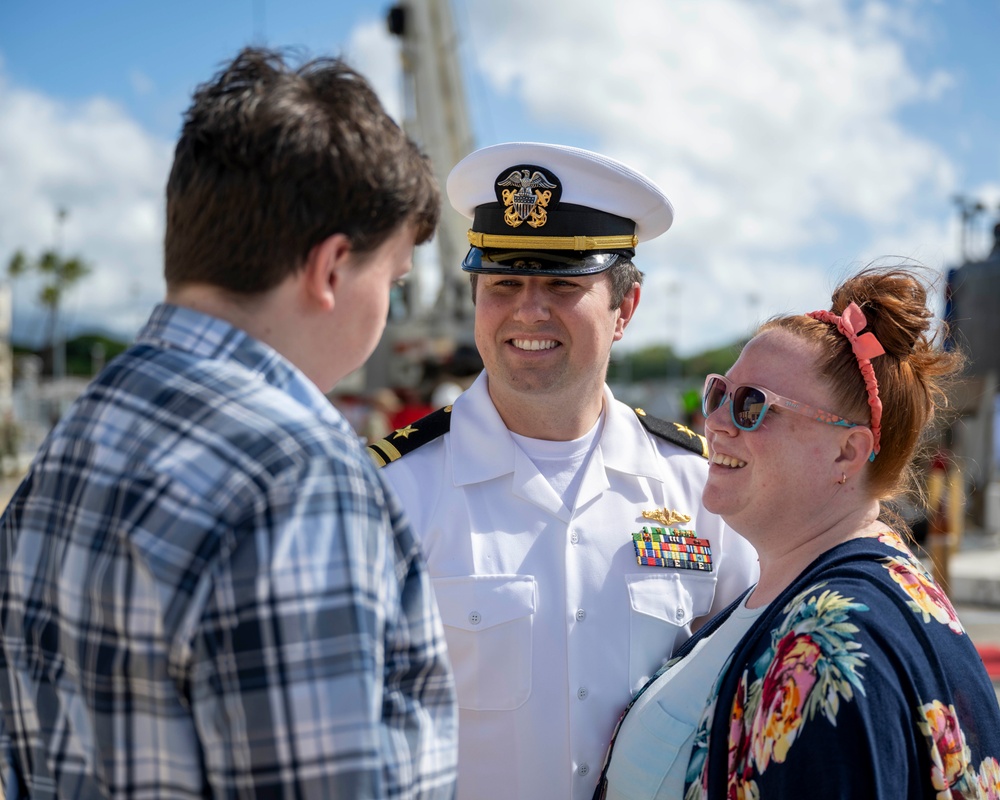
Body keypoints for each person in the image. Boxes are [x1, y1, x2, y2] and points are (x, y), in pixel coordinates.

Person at [0, 47, 457, 799]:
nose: (390, 309)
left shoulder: (78, 436)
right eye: (394, 280)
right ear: (332, 269)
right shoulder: (296, 478)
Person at [367, 142, 759, 800]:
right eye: (504, 284)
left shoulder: (701, 491)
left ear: (625, 311)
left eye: (563, 285)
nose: (528, 310)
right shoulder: (394, 493)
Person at [594, 266, 1000, 799]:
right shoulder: (806, 591)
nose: (715, 421)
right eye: (720, 393)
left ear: (846, 452)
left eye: (752, 406)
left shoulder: (833, 644)